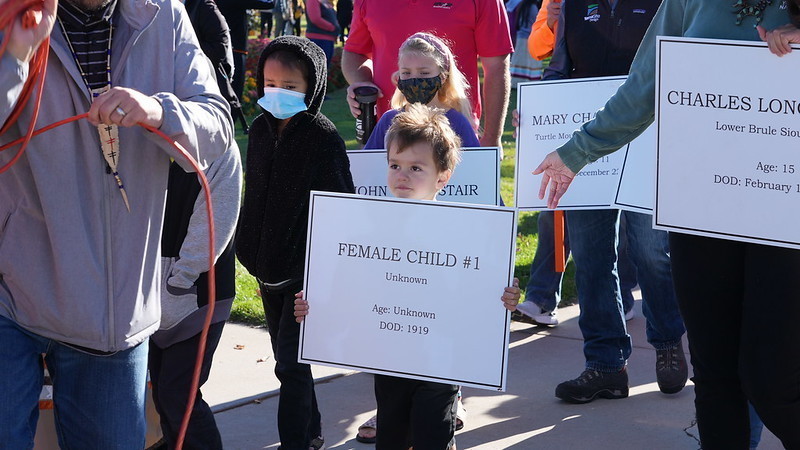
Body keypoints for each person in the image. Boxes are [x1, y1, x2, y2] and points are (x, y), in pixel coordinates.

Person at [533, 1, 800, 447]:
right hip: (701, 204)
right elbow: (646, 85)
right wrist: (577, 151)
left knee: (774, 381)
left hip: (784, 214)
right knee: (715, 374)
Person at [0, 0, 232, 447]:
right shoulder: (14, 10)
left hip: (115, 315)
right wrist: (13, 60)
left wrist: (159, 112)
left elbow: (217, 125)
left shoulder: (163, 14)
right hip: (14, 295)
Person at [294, 104, 521, 450]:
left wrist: (503, 297)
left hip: (441, 362)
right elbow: (346, 286)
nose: (402, 175)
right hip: (389, 357)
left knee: (433, 437)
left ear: (442, 177)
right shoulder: (368, 228)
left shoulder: (465, 231)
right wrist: (316, 309)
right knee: (392, 436)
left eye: (416, 168)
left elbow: (482, 289)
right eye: (395, 165)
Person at [528, 0, 688, 404]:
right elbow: (559, 67)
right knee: (592, 255)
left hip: (649, 136)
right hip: (585, 142)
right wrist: (537, 111)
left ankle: (668, 342)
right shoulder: (573, 4)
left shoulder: (665, 4)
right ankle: (605, 364)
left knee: (653, 252)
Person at [235, 35, 355, 449]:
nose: (277, 93)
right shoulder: (261, 130)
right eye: (269, 84)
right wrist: (249, 249)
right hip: (267, 267)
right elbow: (255, 193)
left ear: (313, 87)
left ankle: (296, 442)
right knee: (290, 364)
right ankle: (312, 428)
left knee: (289, 364)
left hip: (304, 272)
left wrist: (322, 273)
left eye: (290, 87)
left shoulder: (323, 138)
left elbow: (342, 209)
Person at [148, 148, 242, 450]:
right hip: (150, 292)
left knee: (180, 394)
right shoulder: (148, 140)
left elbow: (216, 222)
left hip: (198, 292)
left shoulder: (219, 148)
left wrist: (181, 277)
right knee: (163, 394)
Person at [341, 0, 513, 149]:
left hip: (455, 132)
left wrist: (491, 138)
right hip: (387, 132)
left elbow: (496, 67)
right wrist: (363, 85)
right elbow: (354, 53)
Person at [364, 32, 479, 150]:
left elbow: (477, 164)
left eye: (424, 73)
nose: (414, 79)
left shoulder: (457, 122)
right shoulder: (389, 120)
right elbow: (368, 164)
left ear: (443, 77)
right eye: (406, 73)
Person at [184, 0, 251, 133]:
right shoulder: (166, 7)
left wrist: (185, 52)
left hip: (206, 85)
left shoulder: (203, 6)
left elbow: (220, 46)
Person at [507, 0, 543, 86]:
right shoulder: (533, 8)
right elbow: (535, 24)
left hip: (521, 38)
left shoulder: (522, 6)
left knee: (519, 61)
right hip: (530, 38)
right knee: (530, 62)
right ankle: (528, 81)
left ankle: (516, 81)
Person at [305, 0, 339, 67]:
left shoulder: (326, 2)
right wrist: (332, 28)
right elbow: (315, 19)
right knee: (318, 67)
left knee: (326, 67)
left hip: (329, 39)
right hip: (318, 39)